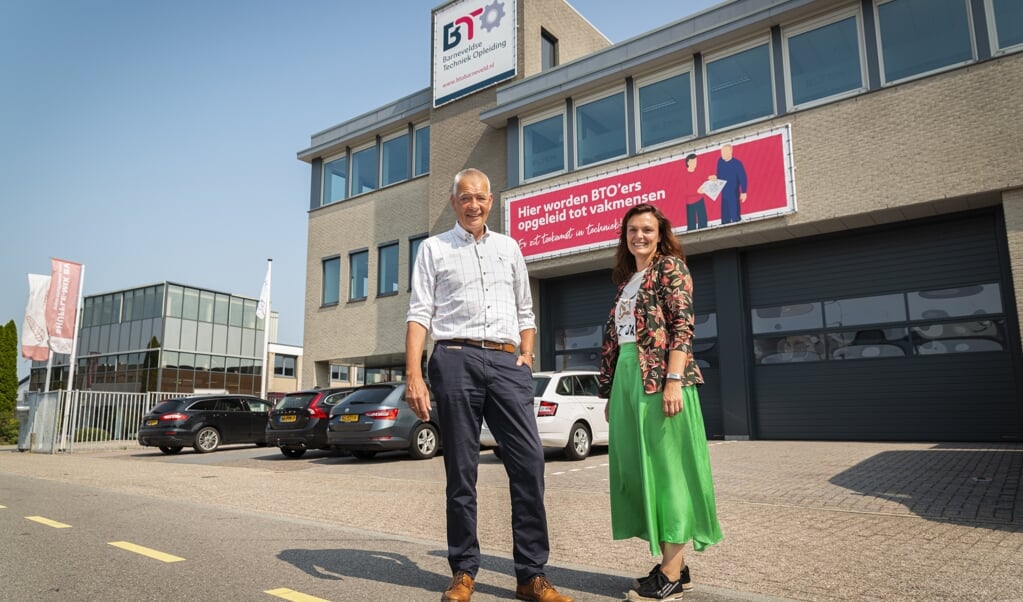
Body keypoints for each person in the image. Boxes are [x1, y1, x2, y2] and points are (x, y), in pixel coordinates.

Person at [405, 168, 573, 602]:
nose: (473, 205)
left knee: (530, 463)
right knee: (461, 471)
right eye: (465, 198)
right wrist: (414, 375)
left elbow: (525, 311)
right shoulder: (433, 249)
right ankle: (463, 571)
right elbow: (420, 314)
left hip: (506, 361)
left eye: (480, 197)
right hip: (455, 358)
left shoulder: (509, 248)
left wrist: (527, 356)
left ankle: (530, 575)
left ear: (491, 201)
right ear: (453, 201)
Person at [597, 203, 723, 601]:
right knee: (641, 471)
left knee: (670, 472)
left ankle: (669, 578)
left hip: (659, 379)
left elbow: (683, 327)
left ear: (660, 233)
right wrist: (610, 391)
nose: (639, 236)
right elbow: (618, 344)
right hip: (628, 381)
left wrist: (673, 380)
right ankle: (677, 567)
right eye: (632, 230)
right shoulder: (626, 282)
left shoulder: (670, 268)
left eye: (647, 229)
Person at [715, 143, 747, 224]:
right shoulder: (720, 162)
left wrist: (744, 192)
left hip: (733, 193)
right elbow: (719, 177)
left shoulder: (737, 164)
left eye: (724, 152)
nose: (722, 154)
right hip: (724, 193)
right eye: (722, 152)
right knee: (725, 218)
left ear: (730, 152)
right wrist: (714, 179)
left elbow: (743, 178)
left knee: (735, 216)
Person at [680, 153, 710, 231]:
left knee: (703, 222)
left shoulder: (699, 172)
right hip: (690, 203)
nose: (695, 163)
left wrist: (710, 178)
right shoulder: (683, 175)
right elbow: (684, 191)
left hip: (700, 200)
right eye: (693, 162)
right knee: (691, 225)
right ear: (688, 162)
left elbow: (705, 181)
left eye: (696, 161)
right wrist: (697, 191)